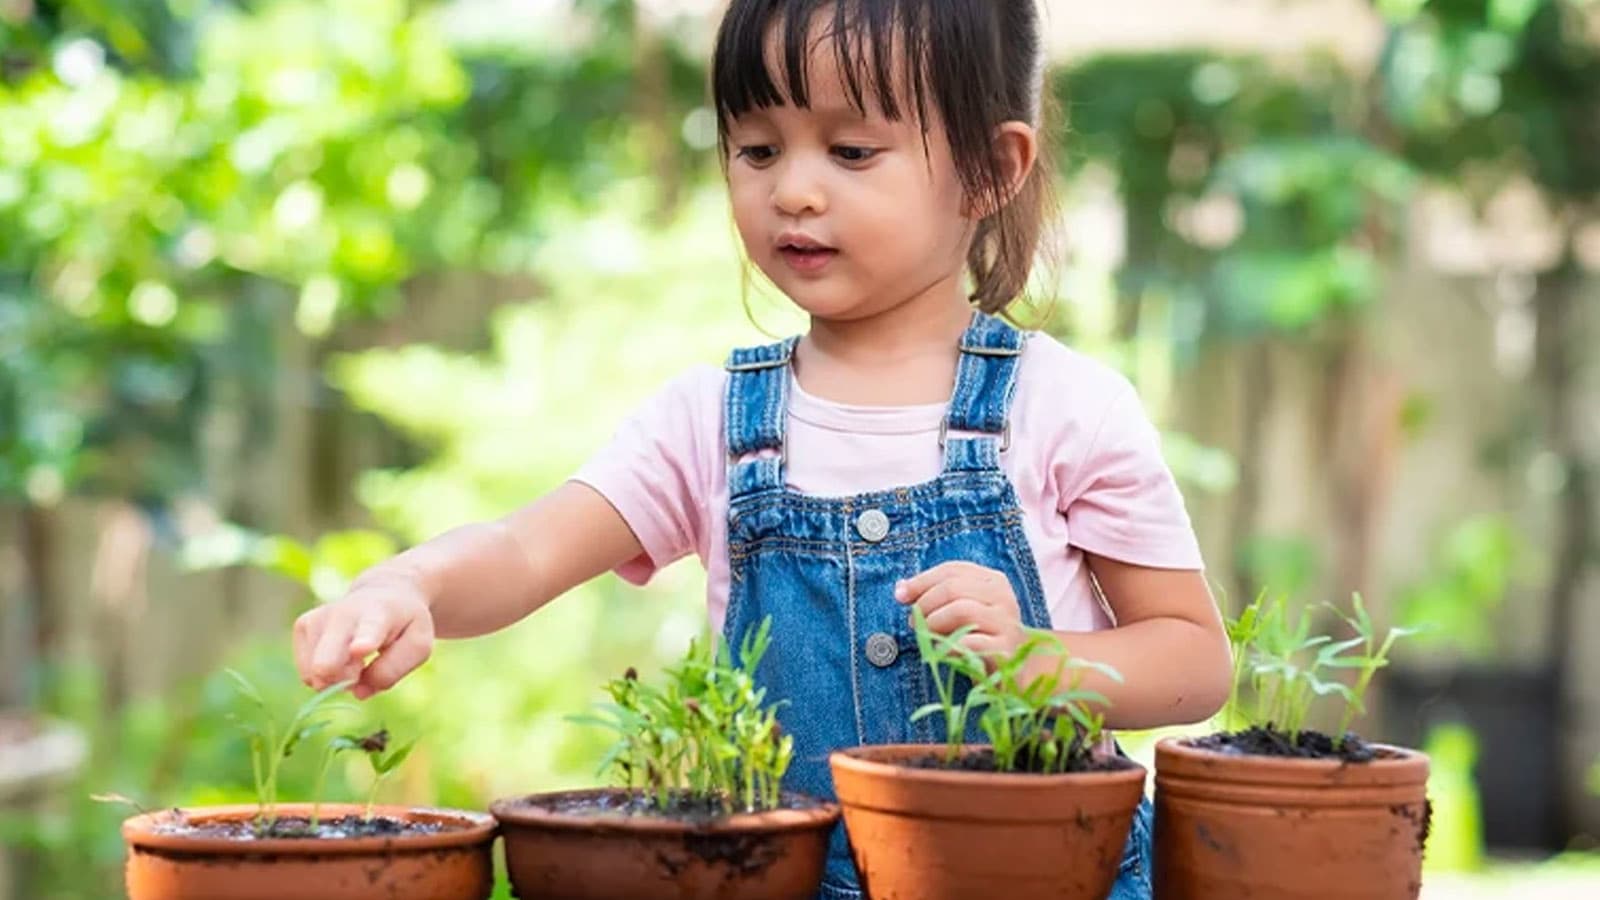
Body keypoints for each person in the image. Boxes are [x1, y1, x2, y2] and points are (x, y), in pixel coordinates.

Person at [292, 1, 1232, 897]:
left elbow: (1193, 661)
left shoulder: (1064, 408)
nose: (792, 190)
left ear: (991, 169)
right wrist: (407, 586)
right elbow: (527, 548)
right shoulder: (713, 422)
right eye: (756, 148)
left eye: (852, 150)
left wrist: (1042, 661)